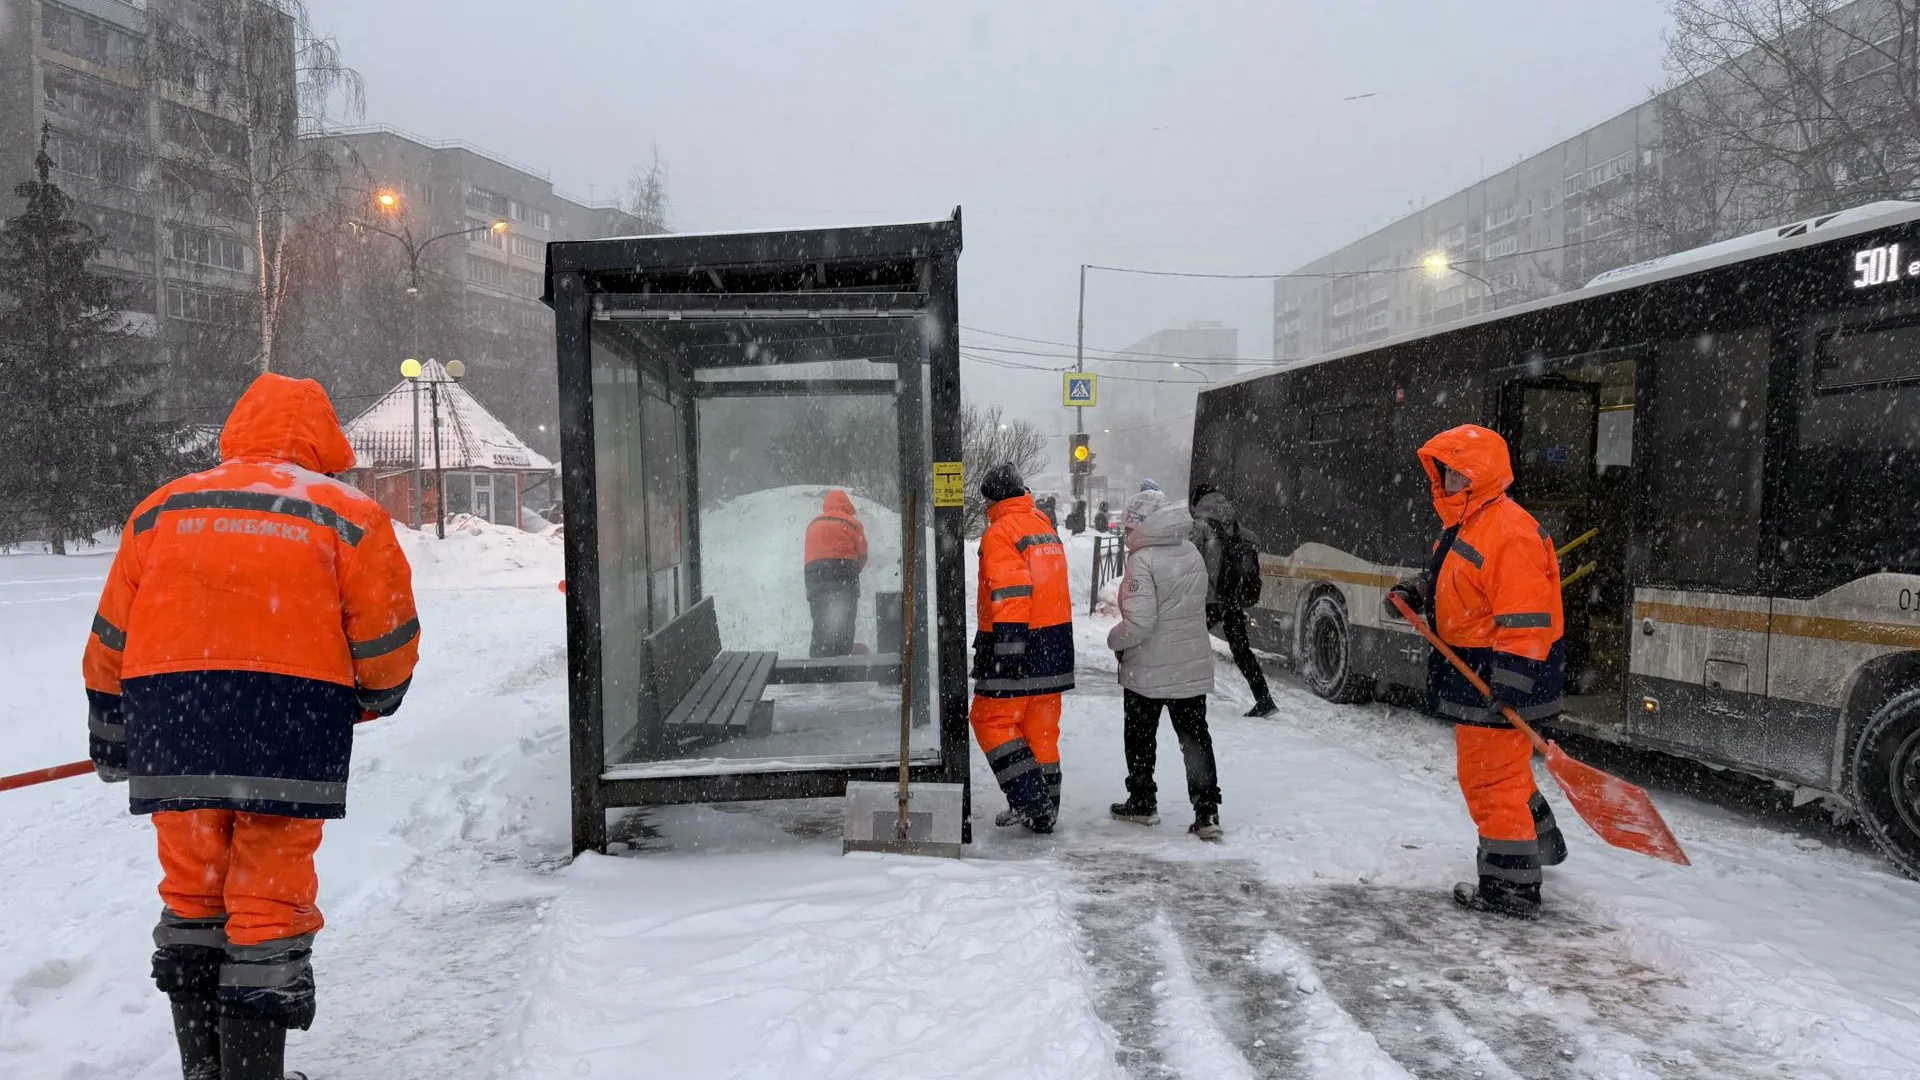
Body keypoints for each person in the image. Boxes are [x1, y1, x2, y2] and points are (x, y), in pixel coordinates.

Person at [82, 374, 420, 1080]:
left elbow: (111, 635)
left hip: (173, 726)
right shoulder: (345, 513)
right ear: (324, 442)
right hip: (288, 729)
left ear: (237, 431)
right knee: (268, 901)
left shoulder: (163, 508)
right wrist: (380, 695)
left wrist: (113, 732)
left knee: (194, 895)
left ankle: (203, 1071)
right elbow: (385, 637)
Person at [1385, 424, 1568, 920]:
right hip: (1480, 668)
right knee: (1498, 772)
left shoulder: (1507, 531)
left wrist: (1512, 681)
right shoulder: (1471, 524)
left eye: (1456, 474)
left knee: (1491, 782)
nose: (1445, 483)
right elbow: (1457, 580)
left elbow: (1527, 617)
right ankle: (1539, 840)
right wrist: (1417, 592)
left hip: (1504, 671)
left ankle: (1511, 888)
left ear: (1480, 476)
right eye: (1443, 474)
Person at [1106, 491, 1223, 839]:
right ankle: (1207, 813)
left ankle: (1142, 802)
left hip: (1149, 668)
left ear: (1141, 525)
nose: (1126, 533)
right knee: (1195, 739)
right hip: (1190, 665)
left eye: (1129, 526)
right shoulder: (1190, 552)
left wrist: (1114, 640)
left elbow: (1139, 624)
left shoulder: (1142, 561)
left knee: (1141, 737)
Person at [971, 462, 1074, 833]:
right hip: (1055, 646)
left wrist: (1007, 654)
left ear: (991, 498)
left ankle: (1032, 803)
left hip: (1020, 648)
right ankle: (1047, 809)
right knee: (1040, 729)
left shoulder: (1001, 532)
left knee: (990, 720)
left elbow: (1013, 595)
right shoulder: (1042, 525)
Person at [1190, 484, 1278, 717]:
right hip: (1232, 597)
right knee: (1241, 650)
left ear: (1198, 502)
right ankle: (1264, 699)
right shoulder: (1237, 527)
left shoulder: (1199, 527)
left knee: (1189, 643)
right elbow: (1253, 541)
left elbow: (1187, 560)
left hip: (1208, 598)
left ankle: (1185, 695)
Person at [803, 489, 868, 658]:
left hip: (814, 571)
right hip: (844, 567)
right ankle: (842, 653)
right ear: (847, 505)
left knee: (820, 614)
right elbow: (862, 554)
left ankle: (819, 656)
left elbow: (809, 553)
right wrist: (854, 571)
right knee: (846, 613)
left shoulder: (813, 523)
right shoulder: (852, 523)